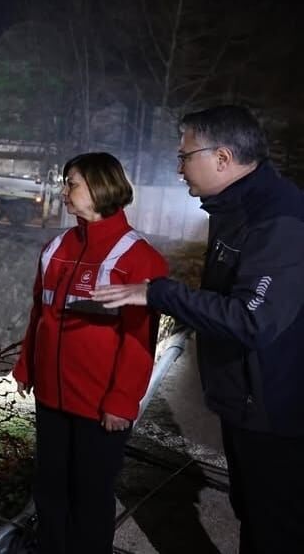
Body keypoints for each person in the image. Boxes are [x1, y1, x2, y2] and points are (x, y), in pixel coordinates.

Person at [92, 105, 304, 553]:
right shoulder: (237, 208)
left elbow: (252, 318)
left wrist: (159, 293)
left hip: (277, 411)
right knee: (254, 513)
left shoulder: (277, 219)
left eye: (185, 156)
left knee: (274, 524)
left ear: (222, 158)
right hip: (248, 402)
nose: (179, 168)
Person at [13, 152, 168, 554]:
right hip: (52, 399)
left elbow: (139, 339)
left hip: (100, 406)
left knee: (91, 494)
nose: (64, 191)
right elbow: (40, 313)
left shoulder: (138, 258)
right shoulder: (56, 248)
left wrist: (121, 401)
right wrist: (27, 366)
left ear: (101, 186)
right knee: (50, 488)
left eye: (72, 183)